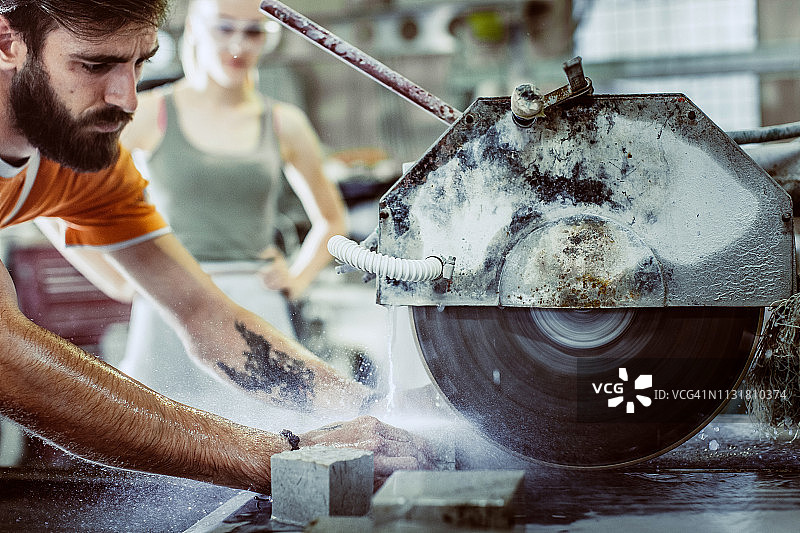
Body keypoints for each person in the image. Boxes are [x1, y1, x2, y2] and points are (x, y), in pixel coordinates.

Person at [0, 0, 432, 492]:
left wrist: (372, 408)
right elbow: (7, 355)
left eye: (139, 63)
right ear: (8, 42)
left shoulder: (85, 166)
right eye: (95, 65)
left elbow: (207, 318)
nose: (128, 99)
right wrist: (277, 455)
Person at [117, 0, 348, 430]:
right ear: (195, 30)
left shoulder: (285, 122)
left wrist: (298, 278)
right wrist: (118, 276)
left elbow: (332, 221)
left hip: (254, 300)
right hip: (169, 300)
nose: (239, 44)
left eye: (254, 31)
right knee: (161, 439)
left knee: (272, 441)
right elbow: (67, 192)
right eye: (224, 29)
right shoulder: (147, 114)